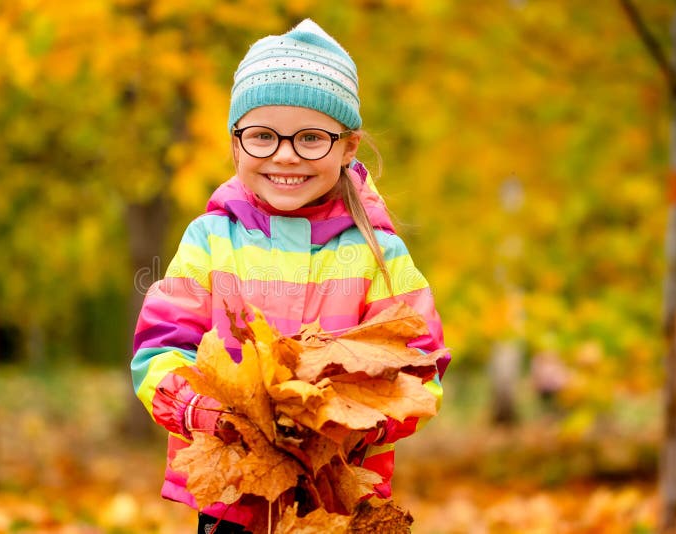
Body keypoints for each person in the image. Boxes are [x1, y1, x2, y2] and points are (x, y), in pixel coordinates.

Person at [130, 19, 449, 533]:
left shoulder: (377, 253)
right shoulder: (210, 240)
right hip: (234, 492)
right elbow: (158, 352)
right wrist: (210, 414)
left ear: (348, 147)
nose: (285, 154)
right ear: (235, 144)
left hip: (337, 497)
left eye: (311, 138)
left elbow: (421, 367)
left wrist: (348, 426)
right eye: (262, 136)